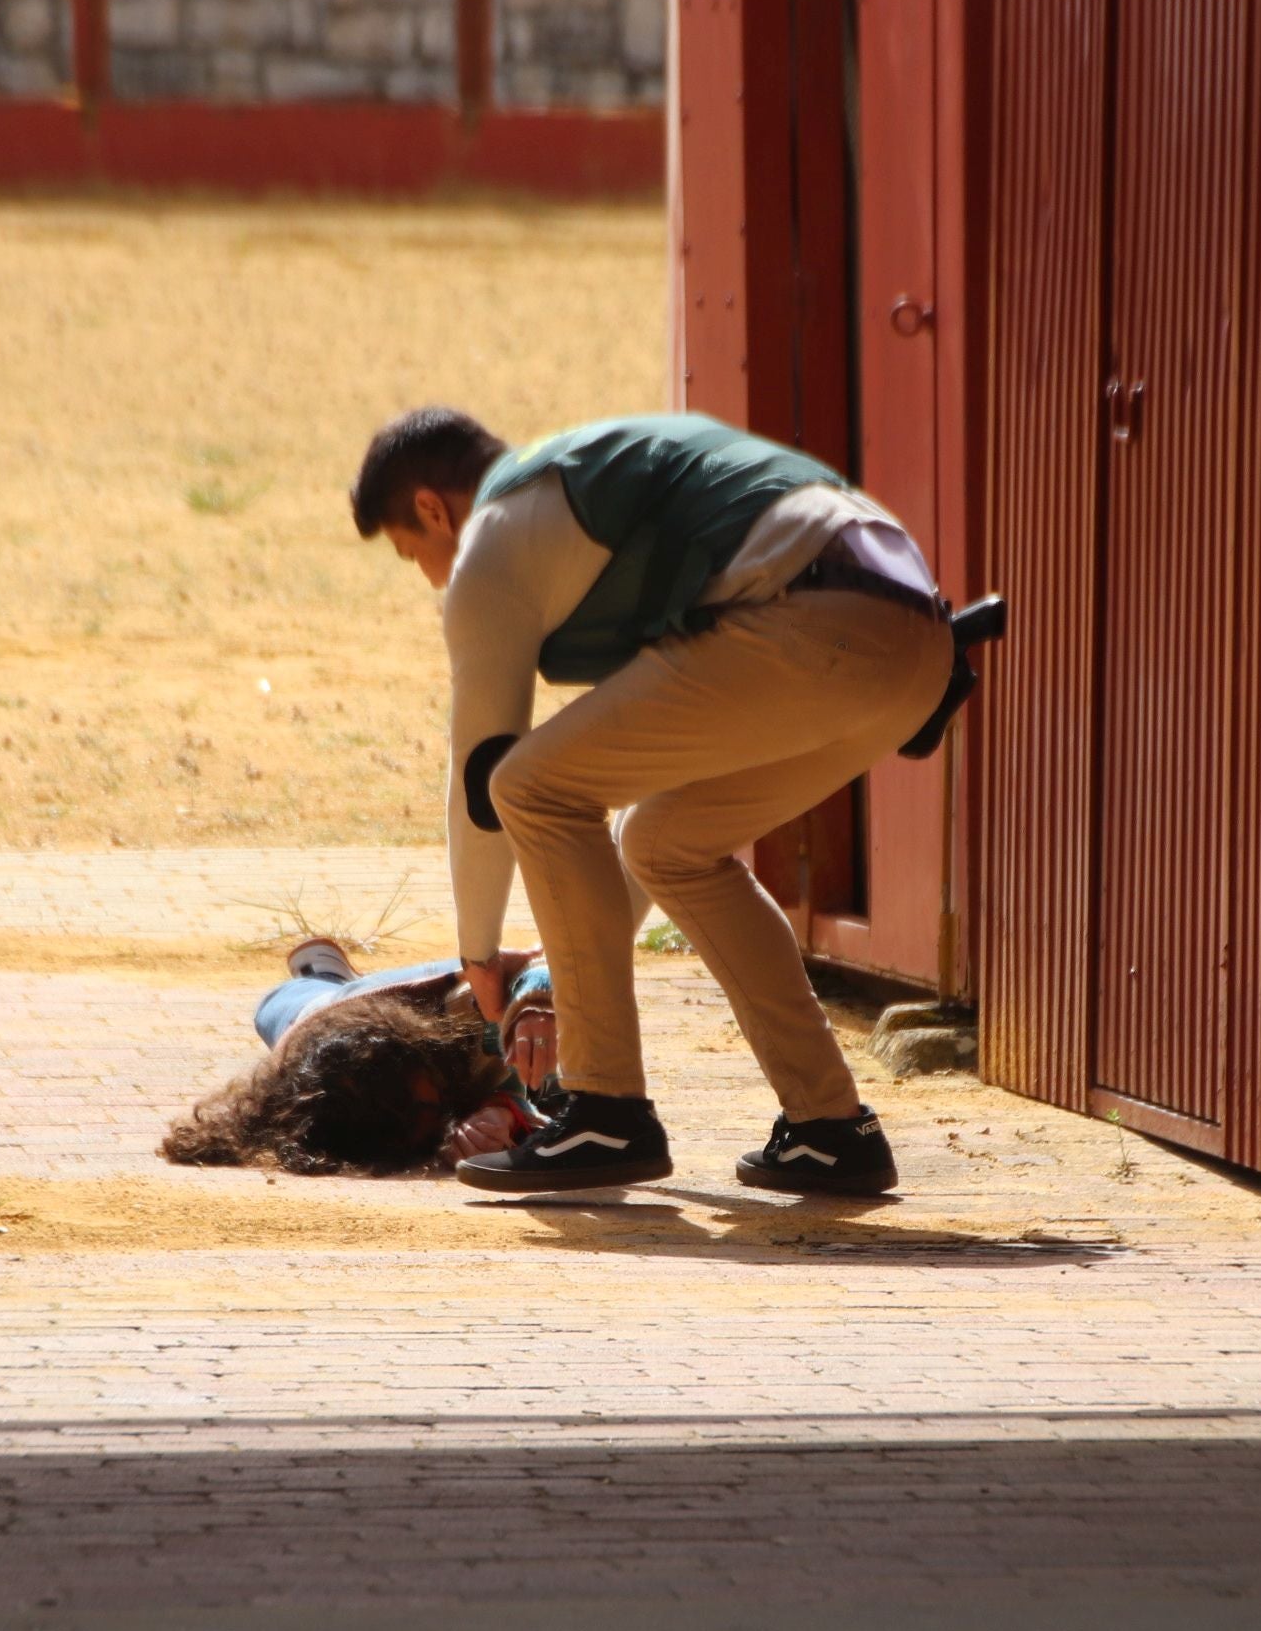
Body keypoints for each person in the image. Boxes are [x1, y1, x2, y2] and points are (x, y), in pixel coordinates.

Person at [351, 407, 954, 1196]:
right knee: (667, 841)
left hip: (812, 617)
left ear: (433, 509)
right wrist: (560, 977)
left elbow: (487, 776)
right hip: (916, 646)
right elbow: (615, 823)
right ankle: (831, 1128)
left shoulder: (496, 535)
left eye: (412, 553)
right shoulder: (591, 507)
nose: (431, 578)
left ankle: (604, 1110)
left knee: (529, 783)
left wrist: (479, 957)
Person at [159, 937, 560, 1176]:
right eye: (426, 1127)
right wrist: (499, 1114)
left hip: (343, 1005)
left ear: (420, 1056)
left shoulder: (457, 1009)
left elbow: (540, 964)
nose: (442, 1120)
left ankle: (323, 971)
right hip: (318, 1026)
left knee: (277, 1002)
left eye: (428, 1105)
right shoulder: (333, 1109)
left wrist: (534, 1005)